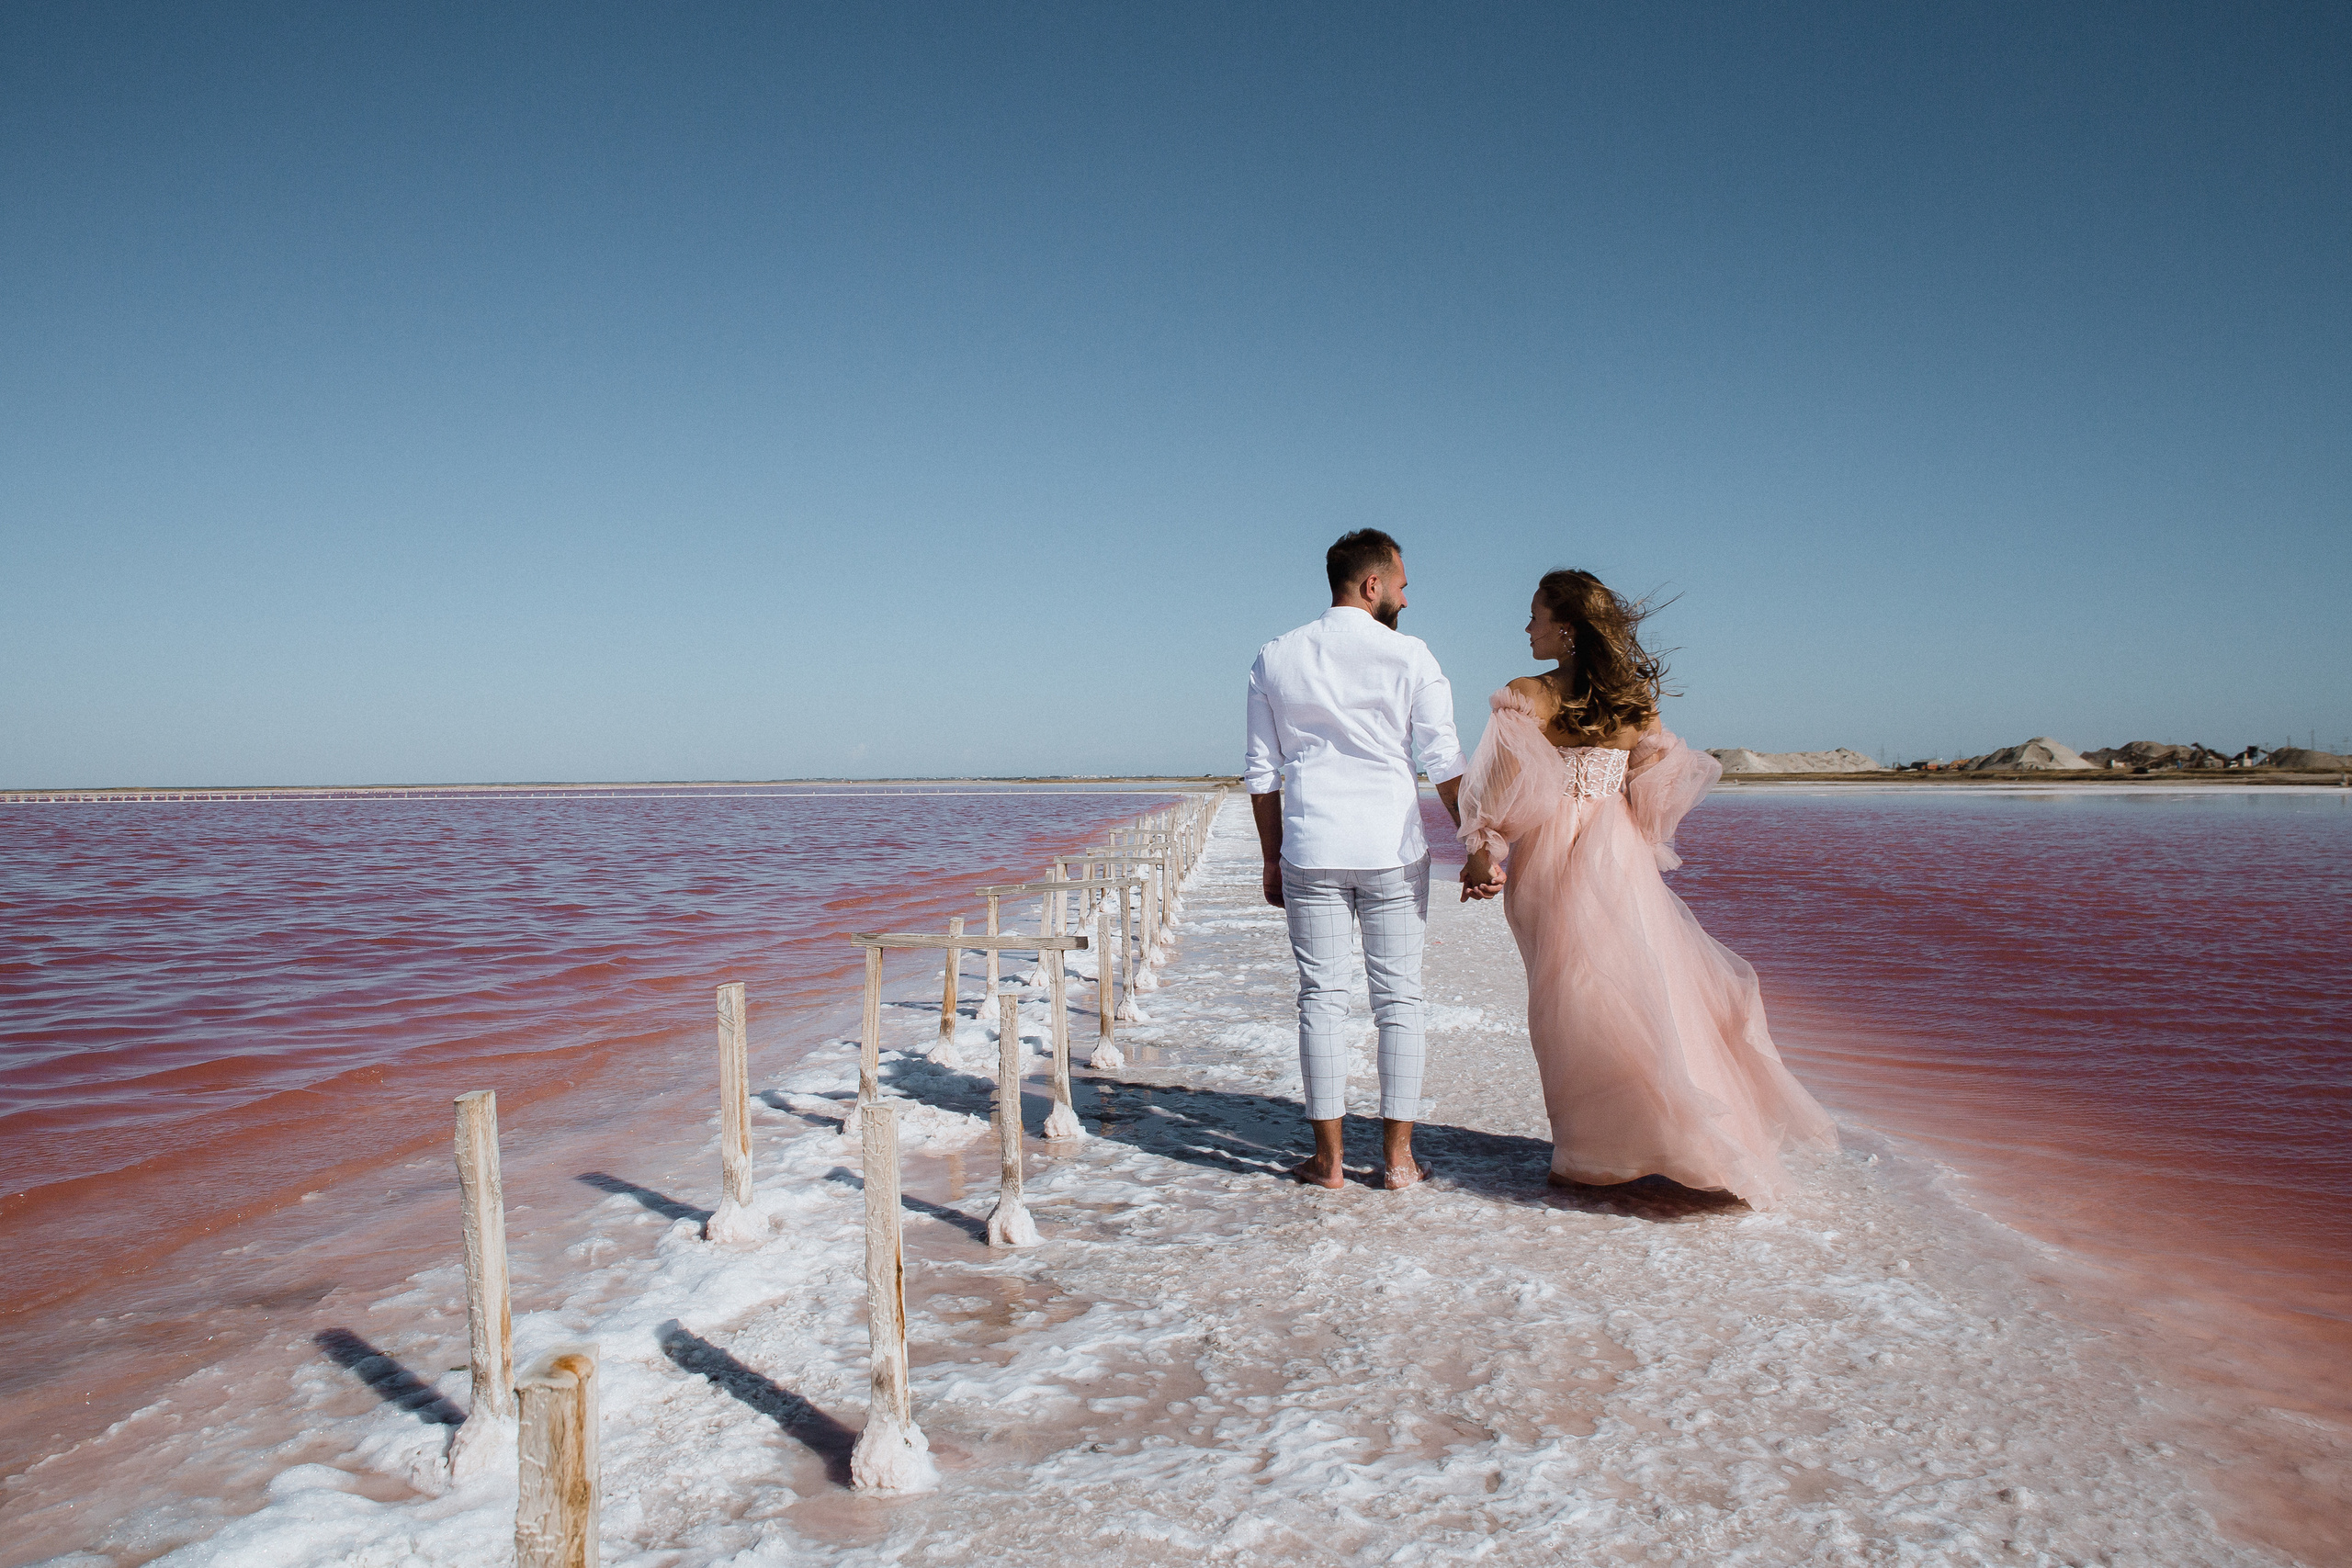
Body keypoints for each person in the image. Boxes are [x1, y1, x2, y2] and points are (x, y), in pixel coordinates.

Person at [1455, 570, 1835, 1207]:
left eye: (1535, 615)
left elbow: (1495, 794)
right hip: (1618, 851)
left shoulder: (1527, 697)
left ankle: (1595, 1154)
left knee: (1570, 1001)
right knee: (1638, 988)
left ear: (1567, 628)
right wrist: (1632, 833)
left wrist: (1482, 853)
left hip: (1553, 854)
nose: (1527, 628)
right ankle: (1658, 1141)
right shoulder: (1635, 702)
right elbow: (1656, 792)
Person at [1244, 530, 1465, 1190]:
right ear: (1371, 585)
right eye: (1400, 582)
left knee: (1321, 999)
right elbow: (1444, 760)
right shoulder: (1411, 655)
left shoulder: (1274, 657)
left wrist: (1272, 860)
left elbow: (1262, 773)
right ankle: (1398, 1161)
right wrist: (1476, 842)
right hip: (1392, 850)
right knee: (1399, 999)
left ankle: (1329, 1161)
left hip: (1311, 846)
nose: (1405, 594)